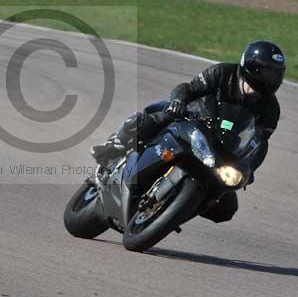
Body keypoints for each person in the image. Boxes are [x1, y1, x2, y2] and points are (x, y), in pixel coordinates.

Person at [90, 40, 286, 224]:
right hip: (191, 120)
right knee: (150, 120)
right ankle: (110, 150)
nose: (271, 79)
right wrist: (178, 102)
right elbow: (188, 88)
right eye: (268, 73)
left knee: (226, 208)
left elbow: (259, 144)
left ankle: (177, 210)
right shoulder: (223, 73)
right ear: (252, 68)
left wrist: (249, 168)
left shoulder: (271, 110)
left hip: (221, 149)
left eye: (276, 74)